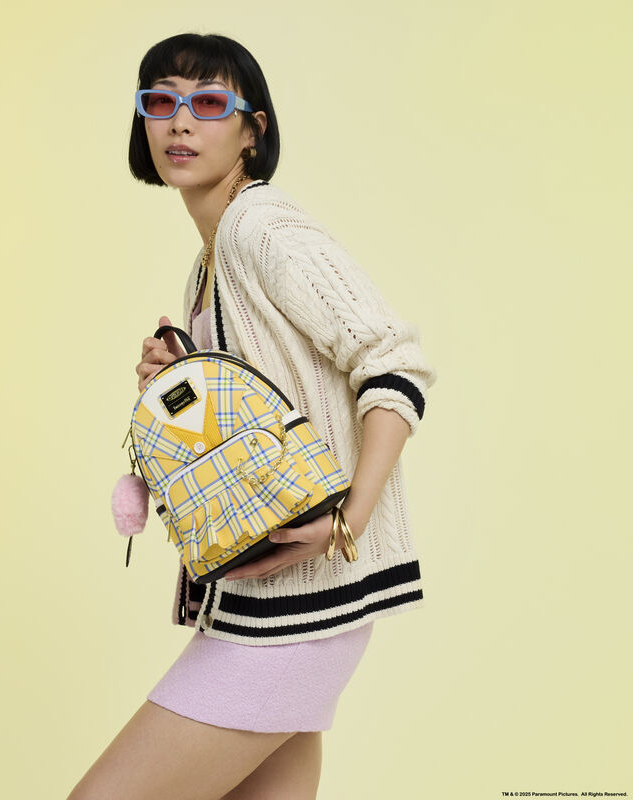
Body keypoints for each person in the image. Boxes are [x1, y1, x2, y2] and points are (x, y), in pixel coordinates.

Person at [66, 32, 437, 800]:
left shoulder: (258, 226)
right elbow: (262, 412)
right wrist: (183, 376)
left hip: (300, 610)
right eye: (161, 102)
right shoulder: (209, 262)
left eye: (207, 103)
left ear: (251, 130)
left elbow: (394, 362)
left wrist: (350, 520)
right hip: (276, 603)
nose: (179, 121)